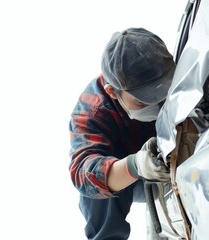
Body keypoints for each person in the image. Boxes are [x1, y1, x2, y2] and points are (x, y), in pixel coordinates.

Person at [69, 27, 176, 239]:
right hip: (135, 173)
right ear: (112, 92)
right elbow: (82, 173)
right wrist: (135, 165)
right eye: (142, 99)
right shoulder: (93, 111)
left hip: (179, 149)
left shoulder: (172, 66)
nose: (157, 103)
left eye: (163, 89)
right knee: (95, 186)